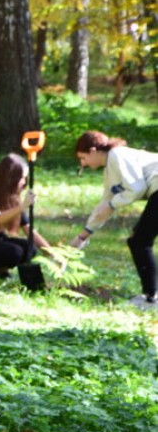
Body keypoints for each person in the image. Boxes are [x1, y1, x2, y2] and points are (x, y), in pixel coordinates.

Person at [69, 131, 158, 309]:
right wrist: (83, 236)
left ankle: (151, 298)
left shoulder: (117, 155)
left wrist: (112, 203)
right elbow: (104, 205)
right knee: (139, 240)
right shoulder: (111, 168)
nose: (83, 164)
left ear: (93, 150)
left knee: (139, 241)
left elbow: (136, 188)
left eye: (83, 158)